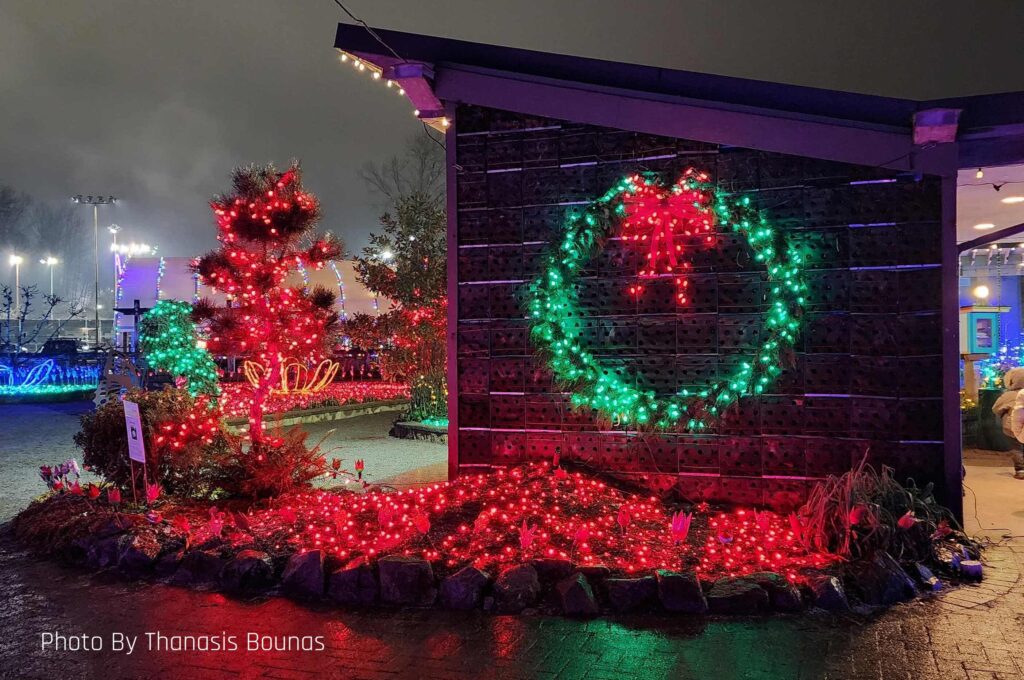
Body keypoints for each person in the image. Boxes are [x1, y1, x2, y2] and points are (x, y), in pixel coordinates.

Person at [996, 367, 1024, 479]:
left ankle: (1021, 470)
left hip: (1013, 426)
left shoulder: (1008, 395)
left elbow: (996, 408)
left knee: (1016, 448)